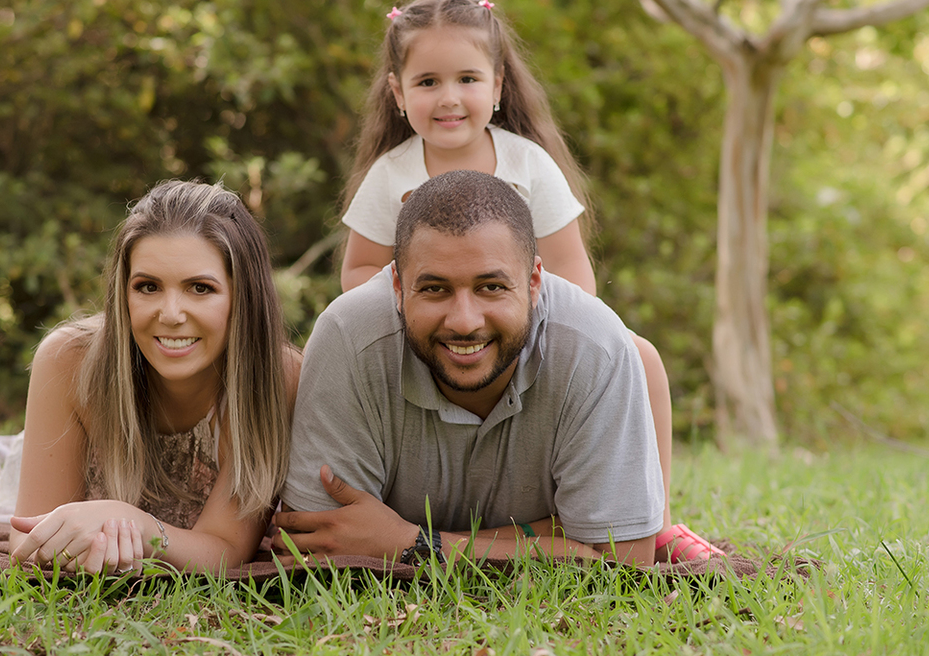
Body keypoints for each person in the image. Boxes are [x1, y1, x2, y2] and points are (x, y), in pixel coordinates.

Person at [337, 0, 720, 562]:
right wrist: (421, 306)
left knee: (640, 357)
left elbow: (571, 271)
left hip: (527, 335)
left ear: (497, 86)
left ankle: (654, 518)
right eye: (426, 83)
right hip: (428, 340)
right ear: (397, 91)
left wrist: (543, 329)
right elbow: (359, 270)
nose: (449, 98)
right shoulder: (390, 177)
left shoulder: (527, 166)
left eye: (467, 78)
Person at [276, 170, 664, 566]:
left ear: (534, 282)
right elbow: (316, 544)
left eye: (491, 287)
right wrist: (547, 536)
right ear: (397, 287)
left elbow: (624, 563)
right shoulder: (348, 336)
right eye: (434, 289)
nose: (464, 322)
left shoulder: (594, 346)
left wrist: (406, 541)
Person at [8, 180, 300, 575]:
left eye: (200, 288)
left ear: (242, 297)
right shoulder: (69, 361)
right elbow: (29, 543)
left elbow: (226, 550)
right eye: (148, 287)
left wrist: (139, 526)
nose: (171, 314)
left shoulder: (276, 379)